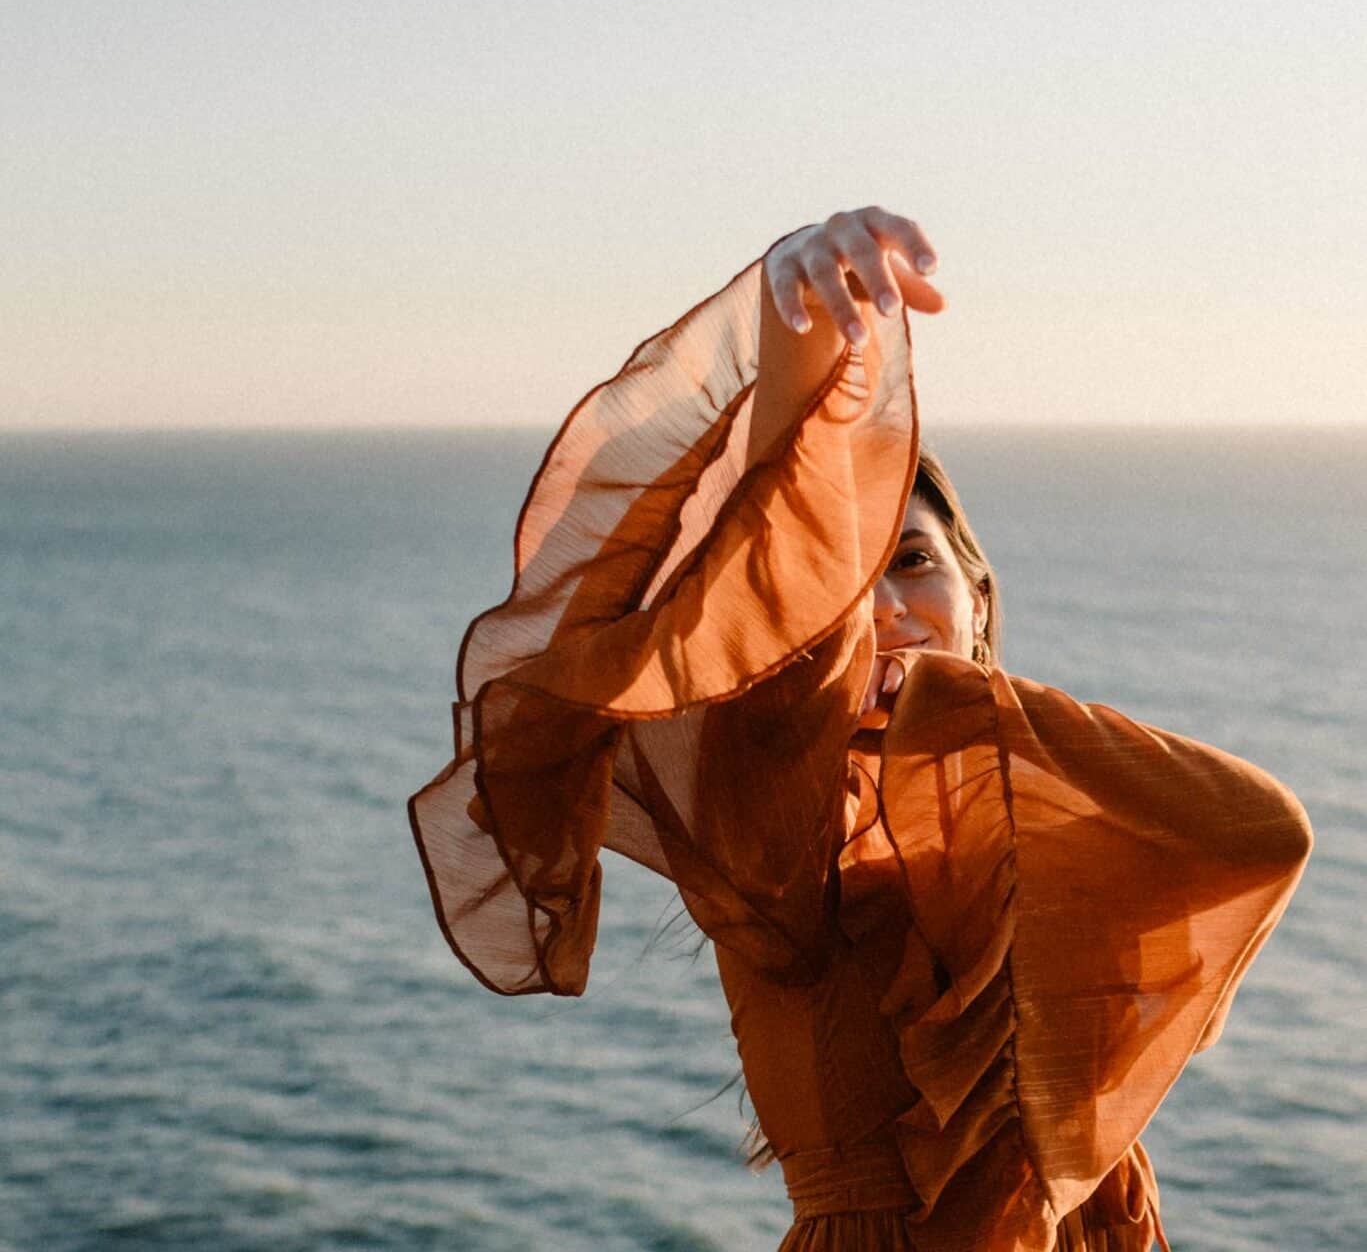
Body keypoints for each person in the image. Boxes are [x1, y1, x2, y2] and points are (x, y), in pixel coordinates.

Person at [409, 207, 1311, 1251]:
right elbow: (779, 561)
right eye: (850, 585)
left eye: (915, 562)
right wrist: (798, 333)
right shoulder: (768, 826)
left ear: (976, 590)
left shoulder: (1041, 834)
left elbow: (1261, 835)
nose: (882, 604)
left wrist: (965, 717)